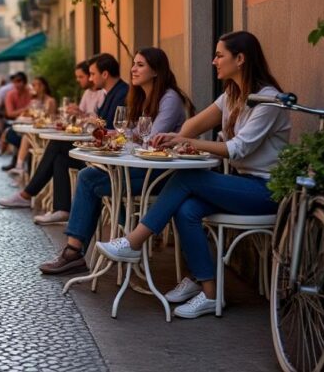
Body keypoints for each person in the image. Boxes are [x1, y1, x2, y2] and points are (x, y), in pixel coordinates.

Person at [96, 32, 288, 319]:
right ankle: (210, 292)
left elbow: (237, 149)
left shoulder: (269, 100)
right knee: (186, 209)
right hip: (241, 185)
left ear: (240, 58)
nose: (213, 61)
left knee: (187, 180)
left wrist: (189, 144)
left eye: (220, 55)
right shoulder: (232, 95)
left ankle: (134, 242)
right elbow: (193, 126)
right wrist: (173, 137)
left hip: (266, 190)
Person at [39, 47, 192, 273]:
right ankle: (79, 248)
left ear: (156, 71)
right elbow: (133, 134)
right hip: (141, 169)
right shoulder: (141, 96)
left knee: (88, 178)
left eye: (140, 65)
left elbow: (152, 140)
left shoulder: (169, 98)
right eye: (134, 63)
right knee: (88, 175)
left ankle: (79, 251)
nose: (133, 69)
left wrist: (122, 136)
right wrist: (116, 135)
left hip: (162, 176)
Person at [0, 54, 128, 219]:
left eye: (92, 74)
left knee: (57, 145)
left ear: (105, 74)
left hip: (108, 158)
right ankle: (61, 209)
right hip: (100, 150)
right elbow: (103, 125)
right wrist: (86, 118)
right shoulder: (111, 93)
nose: (90, 78)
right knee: (60, 157)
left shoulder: (121, 93)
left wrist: (85, 117)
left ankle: (27, 195)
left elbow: (111, 129)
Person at [4, 77, 58, 178]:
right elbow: (28, 114)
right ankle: (20, 167)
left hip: (46, 133)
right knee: (23, 136)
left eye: (35, 85)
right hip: (36, 131)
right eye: (32, 85)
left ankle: (20, 167)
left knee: (25, 137)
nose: (33, 87)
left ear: (43, 87)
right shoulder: (34, 101)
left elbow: (51, 119)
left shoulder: (50, 101)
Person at [0, 73, 32, 164]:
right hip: (14, 123)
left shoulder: (30, 93)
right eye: (15, 82)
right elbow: (10, 113)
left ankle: (16, 161)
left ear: (25, 82)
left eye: (20, 81)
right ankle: (18, 161)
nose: (18, 84)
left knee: (29, 138)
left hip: (30, 124)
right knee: (13, 136)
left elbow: (34, 109)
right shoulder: (10, 94)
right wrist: (25, 109)